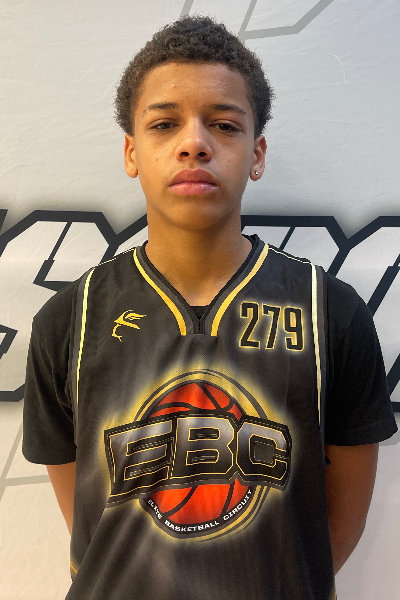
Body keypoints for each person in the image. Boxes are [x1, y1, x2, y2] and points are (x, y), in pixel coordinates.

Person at [22, 16, 397, 600]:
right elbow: (90, 523)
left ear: (257, 153)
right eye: (164, 123)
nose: (194, 143)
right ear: (131, 152)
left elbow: (333, 531)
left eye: (223, 124)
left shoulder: (332, 313)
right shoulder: (70, 319)